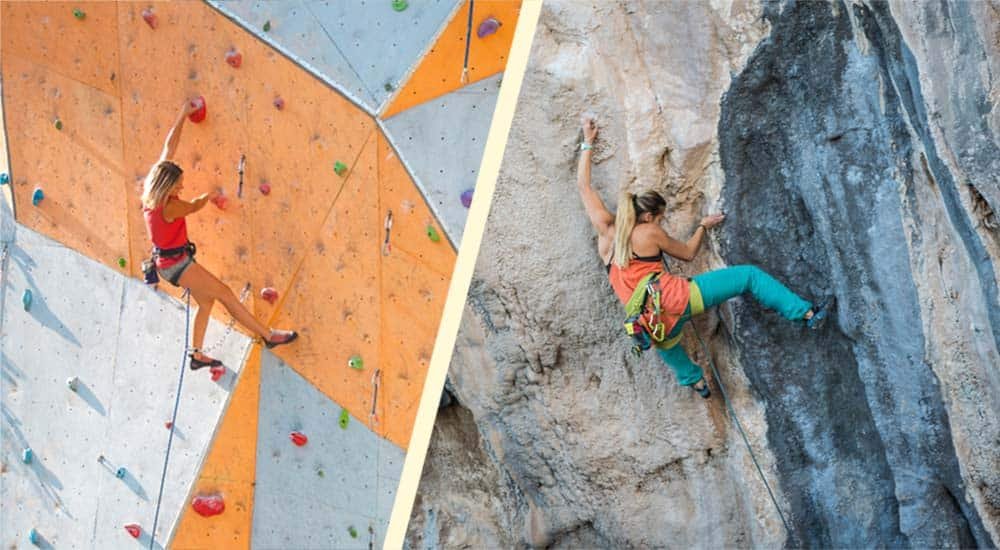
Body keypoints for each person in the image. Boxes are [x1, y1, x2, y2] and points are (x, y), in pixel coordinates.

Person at [575, 116, 833, 398]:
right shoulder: (648, 232)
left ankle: (696, 381)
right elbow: (687, 254)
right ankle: (806, 314)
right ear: (648, 217)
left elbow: (584, 188)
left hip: (649, 322)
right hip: (677, 297)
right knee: (748, 276)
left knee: (669, 345)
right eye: (660, 218)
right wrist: (702, 226)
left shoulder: (606, 236)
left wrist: (587, 142)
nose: (660, 223)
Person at [141, 99, 298, 370]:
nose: (181, 187)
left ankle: (197, 353)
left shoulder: (152, 190)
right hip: (177, 265)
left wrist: (182, 114)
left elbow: (169, 147)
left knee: (207, 301)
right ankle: (268, 335)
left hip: (168, 263)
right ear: (168, 188)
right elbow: (192, 206)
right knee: (225, 293)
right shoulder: (171, 206)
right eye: (178, 186)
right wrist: (209, 196)